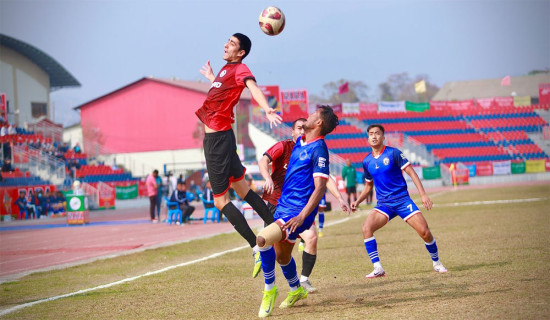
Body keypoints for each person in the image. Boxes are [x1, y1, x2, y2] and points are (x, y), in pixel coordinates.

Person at [195, 32, 282, 277]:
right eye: (227, 41)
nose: (226, 44)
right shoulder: (226, 69)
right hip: (222, 138)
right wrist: (212, 78)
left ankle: (256, 247)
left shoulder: (241, 68)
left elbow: (252, 87)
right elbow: (223, 92)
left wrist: (266, 109)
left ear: (241, 52)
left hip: (217, 142)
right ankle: (277, 224)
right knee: (243, 190)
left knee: (220, 201)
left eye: (232, 43)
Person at [255, 105, 340, 318]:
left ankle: (269, 291)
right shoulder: (300, 143)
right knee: (282, 257)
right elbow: (270, 156)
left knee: (262, 240)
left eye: (313, 115)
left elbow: (320, 186)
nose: (307, 117)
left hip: (296, 213)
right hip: (282, 207)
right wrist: (269, 111)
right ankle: (296, 289)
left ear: (318, 123)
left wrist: (302, 216)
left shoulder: (319, 149)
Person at [351, 124, 447, 279]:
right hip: (384, 204)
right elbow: (369, 186)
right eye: (371, 134)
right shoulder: (367, 161)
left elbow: (411, 172)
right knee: (366, 228)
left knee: (425, 232)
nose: (374, 136)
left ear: (383, 137)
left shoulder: (393, 153)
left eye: (377, 134)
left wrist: (423, 195)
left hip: (402, 200)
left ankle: (436, 262)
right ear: (367, 138)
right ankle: (378, 267)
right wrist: (357, 201)